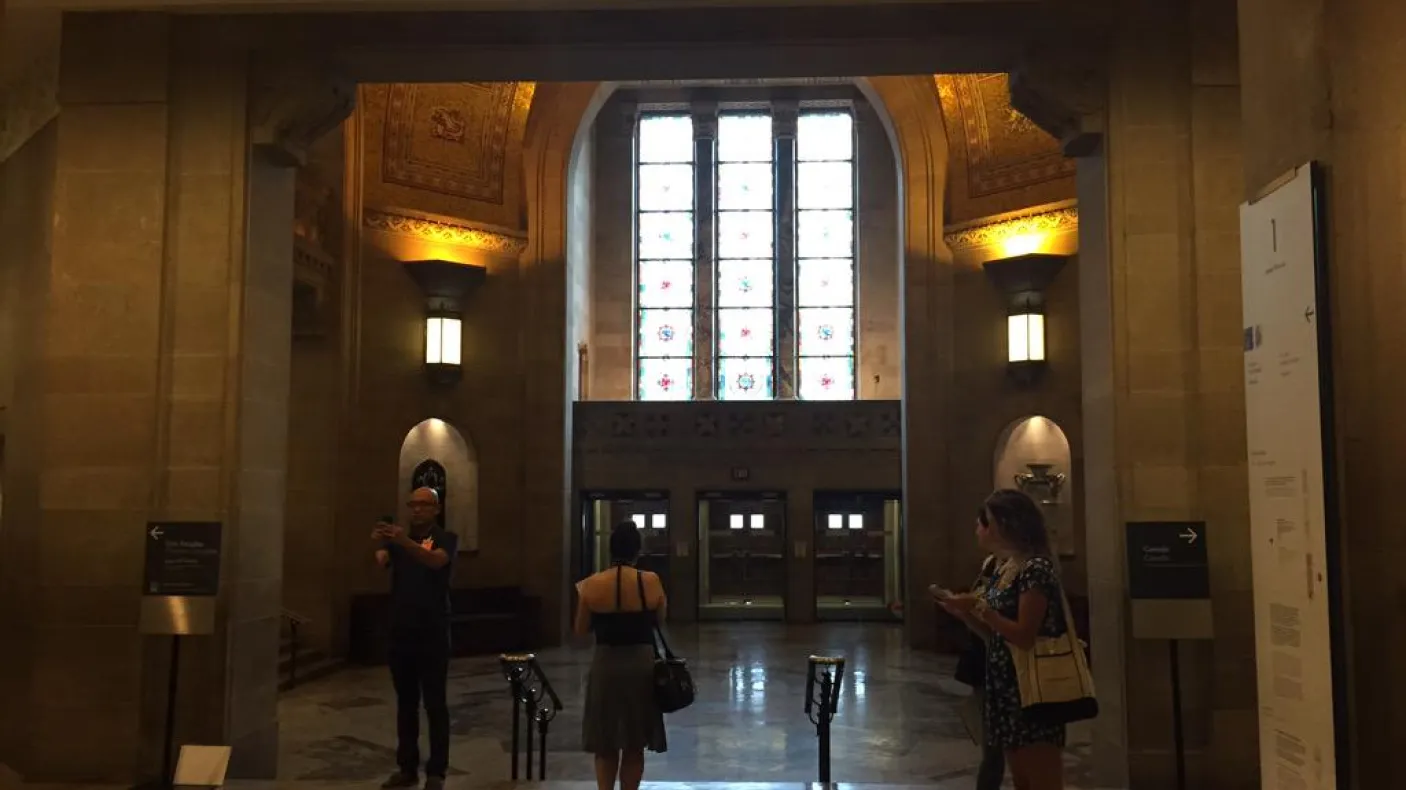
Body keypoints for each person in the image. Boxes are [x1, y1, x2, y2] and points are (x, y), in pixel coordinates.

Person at [939, 489, 1069, 790]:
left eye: (983, 521)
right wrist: (965, 614)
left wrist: (980, 607)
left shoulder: (1035, 569)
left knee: (1041, 779)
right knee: (1021, 778)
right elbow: (994, 634)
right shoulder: (1005, 568)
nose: (977, 529)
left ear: (1003, 524)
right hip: (1006, 689)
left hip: (1031, 690)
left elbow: (1023, 635)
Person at [373, 487, 459, 790]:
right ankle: (407, 767)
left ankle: (437, 771)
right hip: (401, 630)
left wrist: (401, 540)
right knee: (406, 703)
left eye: (423, 504)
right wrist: (382, 543)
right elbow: (382, 560)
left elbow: (435, 561)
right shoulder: (399, 540)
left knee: (435, 703)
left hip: (432, 631)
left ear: (436, 508)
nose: (417, 510)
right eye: (413, 504)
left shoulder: (446, 538)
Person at [574, 520, 668, 790]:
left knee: (605, 741)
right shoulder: (650, 581)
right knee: (634, 741)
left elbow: (580, 629)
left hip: (606, 663)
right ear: (637, 550)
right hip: (641, 664)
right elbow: (660, 620)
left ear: (610, 549)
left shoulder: (591, 585)